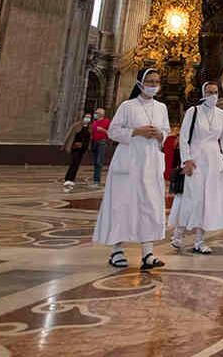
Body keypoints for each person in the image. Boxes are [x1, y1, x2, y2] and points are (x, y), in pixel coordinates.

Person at [93, 68, 169, 270]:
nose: (153, 85)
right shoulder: (128, 106)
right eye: (150, 81)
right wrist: (136, 131)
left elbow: (167, 131)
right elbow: (113, 132)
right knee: (122, 205)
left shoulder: (161, 108)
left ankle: (148, 253)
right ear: (140, 84)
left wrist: (160, 135)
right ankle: (116, 251)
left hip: (151, 162)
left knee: (150, 205)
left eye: (156, 82)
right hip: (129, 161)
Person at [169, 81, 223, 255]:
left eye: (215, 92)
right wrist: (187, 160)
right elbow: (184, 138)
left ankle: (200, 240)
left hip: (214, 161)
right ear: (203, 93)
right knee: (191, 198)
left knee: (207, 200)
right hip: (196, 159)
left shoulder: (222, 115)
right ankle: (177, 236)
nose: (212, 95)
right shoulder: (193, 112)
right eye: (209, 92)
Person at [61, 112, 93, 190]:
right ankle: (68, 178)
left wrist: (88, 147)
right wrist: (66, 145)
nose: (87, 119)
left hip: (83, 149)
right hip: (75, 147)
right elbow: (70, 135)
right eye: (86, 117)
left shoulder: (90, 128)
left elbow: (89, 138)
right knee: (73, 162)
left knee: (77, 163)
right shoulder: (77, 126)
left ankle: (72, 179)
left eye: (89, 118)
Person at [90, 107, 110, 185]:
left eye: (96, 113)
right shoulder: (94, 122)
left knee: (99, 162)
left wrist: (103, 130)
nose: (95, 114)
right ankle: (95, 179)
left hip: (102, 142)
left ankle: (97, 181)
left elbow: (111, 132)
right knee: (95, 162)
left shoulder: (107, 122)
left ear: (101, 114)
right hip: (94, 142)